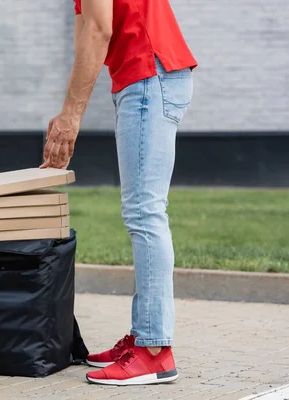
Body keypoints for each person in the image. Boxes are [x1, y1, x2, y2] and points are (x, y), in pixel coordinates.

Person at [40, 0, 197, 385]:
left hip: (149, 74)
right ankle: (144, 337)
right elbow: (85, 34)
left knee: (146, 213)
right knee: (142, 213)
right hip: (142, 76)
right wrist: (66, 112)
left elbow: (100, 30)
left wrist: (71, 116)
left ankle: (154, 351)